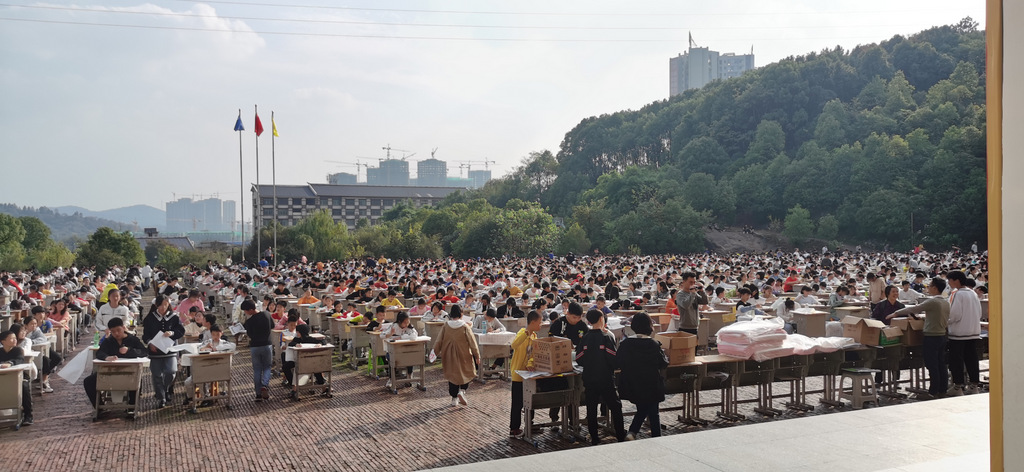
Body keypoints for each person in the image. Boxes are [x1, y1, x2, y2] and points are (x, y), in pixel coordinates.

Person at [886, 278, 950, 399]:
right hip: (942, 335)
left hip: (931, 336)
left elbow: (914, 308)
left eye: (930, 286)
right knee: (941, 364)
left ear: (935, 288)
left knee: (932, 365)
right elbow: (936, 317)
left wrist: (896, 313)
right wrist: (923, 319)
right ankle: (942, 389)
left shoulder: (933, 301)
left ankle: (932, 392)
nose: (928, 288)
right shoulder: (946, 302)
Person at [575, 309, 626, 444]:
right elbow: (613, 358)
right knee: (615, 406)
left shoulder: (585, 338)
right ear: (601, 319)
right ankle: (620, 435)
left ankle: (594, 437)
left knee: (591, 408)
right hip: (605, 378)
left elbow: (579, 358)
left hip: (589, 378)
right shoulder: (606, 337)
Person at [616, 312, 668, 439]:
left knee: (644, 407)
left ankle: (633, 432)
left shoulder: (625, 344)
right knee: (653, 411)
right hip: (651, 384)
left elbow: (618, 362)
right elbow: (663, 363)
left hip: (632, 384)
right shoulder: (654, 344)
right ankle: (653, 436)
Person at [83, 317, 148, 415]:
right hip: (109, 373)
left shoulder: (133, 339)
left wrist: (129, 350)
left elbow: (144, 352)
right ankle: (99, 407)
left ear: (123, 328)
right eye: (113, 331)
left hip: (129, 373)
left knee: (137, 379)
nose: (116, 333)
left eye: (118, 330)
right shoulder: (108, 341)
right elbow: (100, 353)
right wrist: (106, 357)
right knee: (88, 381)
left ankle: (132, 406)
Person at [141, 295, 185, 408]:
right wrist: (150, 343)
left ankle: (165, 389)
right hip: (155, 351)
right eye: (160, 305)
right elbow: (145, 335)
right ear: (156, 305)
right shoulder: (150, 318)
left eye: (165, 305)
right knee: (157, 375)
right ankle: (161, 398)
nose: (163, 307)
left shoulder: (174, 317)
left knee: (171, 371)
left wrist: (172, 333)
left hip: (170, 350)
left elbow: (181, 330)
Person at [433, 305, 480, 407]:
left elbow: (438, 341)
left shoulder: (446, 326)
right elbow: (472, 342)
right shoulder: (465, 326)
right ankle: (462, 390)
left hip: (449, 354)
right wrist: (477, 355)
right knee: (467, 372)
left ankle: (454, 398)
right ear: (461, 314)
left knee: (452, 375)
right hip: (464, 354)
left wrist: (434, 353)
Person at [946, 270, 983, 395]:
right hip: (973, 331)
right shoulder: (972, 293)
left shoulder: (957, 294)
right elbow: (979, 312)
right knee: (972, 359)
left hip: (959, 333)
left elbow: (955, 314)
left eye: (950, 280)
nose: (949, 283)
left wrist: (946, 322)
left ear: (956, 280)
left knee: (956, 361)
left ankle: (958, 387)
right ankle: (974, 385)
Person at [183, 325, 236, 407]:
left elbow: (233, 346)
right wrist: (205, 347)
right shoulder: (207, 342)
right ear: (211, 334)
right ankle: (191, 398)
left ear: (221, 334)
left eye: (217, 334)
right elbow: (197, 349)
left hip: (217, 369)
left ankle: (205, 398)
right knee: (188, 382)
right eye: (213, 334)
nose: (215, 337)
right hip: (204, 369)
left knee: (201, 379)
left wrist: (217, 348)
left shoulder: (224, 343)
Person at [509, 310, 541, 437]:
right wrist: (526, 334)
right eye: (539, 322)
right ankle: (514, 428)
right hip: (518, 375)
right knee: (517, 403)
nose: (540, 325)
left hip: (528, 375)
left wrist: (530, 363)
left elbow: (533, 354)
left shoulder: (535, 337)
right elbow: (514, 345)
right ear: (532, 322)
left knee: (531, 401)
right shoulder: (522, 332)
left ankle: (529, 424)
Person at [284, 324, 329, 400]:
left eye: (297, 332)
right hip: (304, 361)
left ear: (300, 332)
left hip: (304, 363)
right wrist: (296, 344)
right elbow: (291, 343)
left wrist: (320, 344)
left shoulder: (310, 339)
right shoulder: (297, 339)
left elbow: (323, 341)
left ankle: (294, 389)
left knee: (313, 368)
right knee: (286, 367)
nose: (296, 333)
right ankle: (323, 388)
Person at [241, 299, 274, 402]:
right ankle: (264, 384)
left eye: (246, 311)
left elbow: (249, 334)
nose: (245, 313)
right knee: (267, 367)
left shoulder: (249, 321)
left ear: (250, 310)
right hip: (267, 344)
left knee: (257, 369)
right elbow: (273, 326)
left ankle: (258, 394)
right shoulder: (266, 314)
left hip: (255, 346)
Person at [0, 329, 33, 425]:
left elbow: (20, 359)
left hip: (19, 376)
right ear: (3, 341)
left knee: (24, 387)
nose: (15, 340)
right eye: (11, 338)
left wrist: (10, 363)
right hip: (3, 377)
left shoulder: (18, 350)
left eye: (15, 338)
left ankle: (28, 415)